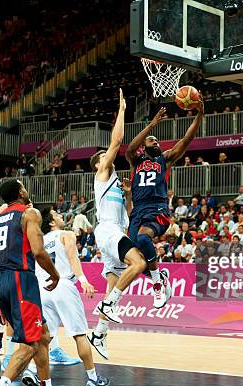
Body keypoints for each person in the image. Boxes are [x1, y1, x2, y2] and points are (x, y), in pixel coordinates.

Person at [0, 179, 68, 386]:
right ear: (20, 192)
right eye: (24, 187)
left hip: (0, 280)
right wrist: (55, 274)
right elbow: (38, 251)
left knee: (43, 336)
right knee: (30, 343)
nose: (27, 190)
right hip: (21, 279)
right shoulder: (29, 213)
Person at [125, 97, 204, 308]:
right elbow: (129, 149)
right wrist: (151, 125)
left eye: (157, 141)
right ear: (144, 146)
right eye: (152, 140)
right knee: (135, 260)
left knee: (143, 239)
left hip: (156, 207)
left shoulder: (165, 159)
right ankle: (160, 277)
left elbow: (186, 140)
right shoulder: (136, 161)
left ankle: (158, 284)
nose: (156, 142)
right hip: (138, 211)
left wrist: (199, 114)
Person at [88, 89, 147, 358]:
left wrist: (128, 193)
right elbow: (117, 141)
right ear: (98, 164)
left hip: (115, 230)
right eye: (103, 155)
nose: (107, 156)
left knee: (114, 283)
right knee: (139, 263)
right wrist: (122, 109)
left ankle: (99, 333)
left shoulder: (114, 185)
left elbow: (130, 213)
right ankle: (109, 306)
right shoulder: (101, 174)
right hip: (107, 230)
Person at [38, 208, 109, 386]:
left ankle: (38, 378)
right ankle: (93, 379)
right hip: (62, 285)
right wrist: (84, 280)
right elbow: (72, 257)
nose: (61, 216)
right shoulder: (66, 234)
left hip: (43, 289)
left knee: (44, 338)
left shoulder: (38, 241)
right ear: (52, 222)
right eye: (57, 215)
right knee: (79, 335)